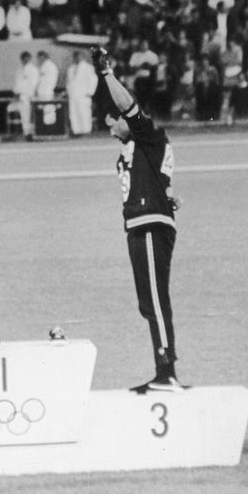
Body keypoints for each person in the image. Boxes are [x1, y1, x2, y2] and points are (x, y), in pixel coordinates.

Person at [91, 47, 186, 393]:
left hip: (149, 225)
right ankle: (163, 370)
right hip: (140, 224)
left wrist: (106, 74)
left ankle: (167, 371)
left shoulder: (148, 135)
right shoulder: (133, 151)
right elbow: (162, 179)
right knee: (149, 301)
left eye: (113, 123)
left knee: (156, 300)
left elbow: (127, 105)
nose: (113, 131)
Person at [65, 50, 99, 136]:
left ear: (82, 57)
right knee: (73, 114)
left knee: (84, 113)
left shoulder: (88, 67)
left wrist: (90, 92)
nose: (76, 58)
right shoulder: (71, 68)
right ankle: (76, 131)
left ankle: (86, 131)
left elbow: (93, 80)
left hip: (84, 94)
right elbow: (68, 82)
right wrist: (68, 91)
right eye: (75, 57)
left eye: (78, 56)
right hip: (73, 95)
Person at [11, 50, 39, 139]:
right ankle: (25, 132)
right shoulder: (19, 69)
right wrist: (16, 93)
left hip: (28, 95)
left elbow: (33, 83)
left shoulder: (33, 69)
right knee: (23, 115)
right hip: (19, 96)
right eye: (23, 58)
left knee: (29, 114)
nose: (25, 60)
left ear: (30, 58)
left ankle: (31, 133)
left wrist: (28, 94)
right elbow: (17, 83)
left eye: (27, 58)